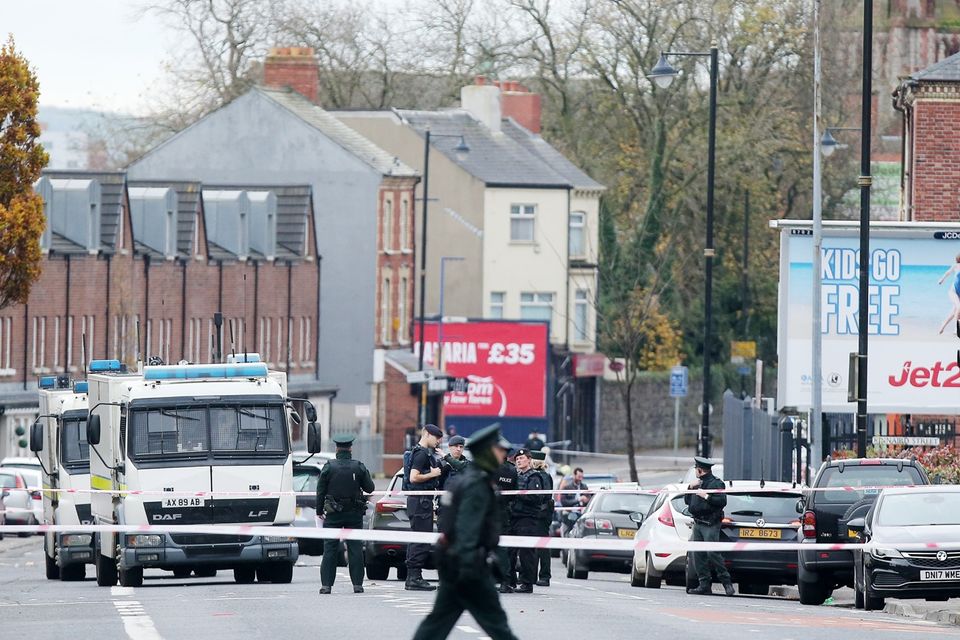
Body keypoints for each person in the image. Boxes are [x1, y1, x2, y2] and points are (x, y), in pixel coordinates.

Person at [411, 423, 519, 640]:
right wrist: (471, 570)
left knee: (436, 624)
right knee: (497, 625)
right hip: (470, 569)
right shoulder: (477, 485)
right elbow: (467, 530)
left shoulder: (469, 480)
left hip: (457, 566)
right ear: (487, 453)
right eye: (500, 450)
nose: (504, 455)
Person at [317, 433, 375, 594]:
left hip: (333, 513)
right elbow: (370, 488)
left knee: (329, 549)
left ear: (336, 449)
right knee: (355, 548)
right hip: (354, 513)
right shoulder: (358, 466)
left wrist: (319, 511)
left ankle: (326, 585)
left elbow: (320, 491)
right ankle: (357, 585)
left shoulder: (329, 467)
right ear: (350, 448)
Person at [684, 456, 734, 597]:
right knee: (698, 555)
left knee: (712, 553)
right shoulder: (696, 484)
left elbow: (722, 501)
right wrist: (690, 488)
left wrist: (706, 496)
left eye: (696, 469)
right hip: (698, 523)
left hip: (710, 523)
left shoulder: (716, 484)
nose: (695, 471)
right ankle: (704, 585)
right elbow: (687, 501)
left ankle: (726, 583)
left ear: (700, 470)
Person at [405, 423, 444, 591]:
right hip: (421, 501)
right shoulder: (421, 454)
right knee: (422, 540)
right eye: (436, 438)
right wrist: (432, 474)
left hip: (419, 501)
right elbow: (414, 478)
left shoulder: (420, 452)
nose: (438, 442)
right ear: (427, 434)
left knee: (418, 538)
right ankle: (414, 577)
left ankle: (412, 577)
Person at [509, 448, 545, 593]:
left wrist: (518, 495)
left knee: (526, 552)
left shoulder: (534, 477)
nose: (519, 460)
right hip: (514, 517)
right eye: (517, 458)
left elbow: (536, 497)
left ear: (529, 460)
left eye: (522, 458)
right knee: (510, 550)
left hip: (528, 518)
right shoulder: (515, 475)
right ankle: (510, 580)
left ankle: (527, 583)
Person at [494, 446, 518, 594]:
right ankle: (505, 581)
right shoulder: (511, 470)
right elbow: (514, 494)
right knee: (502, 548)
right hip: (502, 512)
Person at [530, 450, 554, 586]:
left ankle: (543, 576)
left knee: (540, 547)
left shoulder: (541, 476)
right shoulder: (546, 475)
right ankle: (540, 575)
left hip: (539, 514)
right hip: (543, 515)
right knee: (539, 546)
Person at [558, 468, 589, 537]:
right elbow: (564, 502)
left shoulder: (584, 487)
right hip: (568, 514)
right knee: (565, 533)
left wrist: (586, 500)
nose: (580, 479)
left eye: (582, 477)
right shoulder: (567, 487)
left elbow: (588, 499)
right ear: (574, 475)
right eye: (579, 477)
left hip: (581, 514)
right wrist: (578, 499)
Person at [938, 253, 960, 334]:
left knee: (954, 311)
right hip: (953, 292)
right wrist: (942, 279)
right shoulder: (956, 266)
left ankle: (943, 325)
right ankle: (956, 328)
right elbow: (948, 272)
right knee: (959, 307)